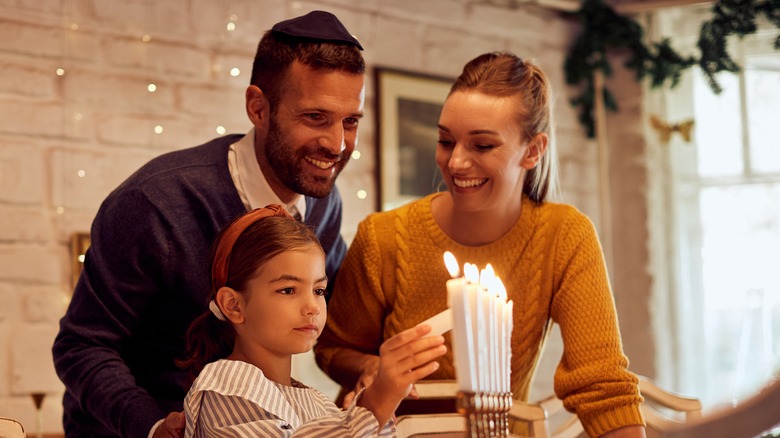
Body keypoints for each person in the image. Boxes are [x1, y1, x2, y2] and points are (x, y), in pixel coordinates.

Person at [52, 10, 366, 438]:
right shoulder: (153, 203)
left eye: (350, 121)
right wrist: (153, 426)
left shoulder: (324, 205)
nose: (336, 144)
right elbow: (82, 345)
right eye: (315, 117)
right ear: (258, 107)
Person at [314, 52, 647, 437]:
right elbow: (332, 348)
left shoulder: (565, 237)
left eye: (482, 146)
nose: (455, 162)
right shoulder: (384, 237)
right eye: (445, 140)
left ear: (533, 150)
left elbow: (601, 384)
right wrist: (371, 369)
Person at [179, 205, 447, 437]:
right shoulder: (224, 386)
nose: (312, 307)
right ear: (233, 305)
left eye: (319, 291)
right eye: (288, 290)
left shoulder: (319, 403)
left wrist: (368, 411)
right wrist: (376, 403)